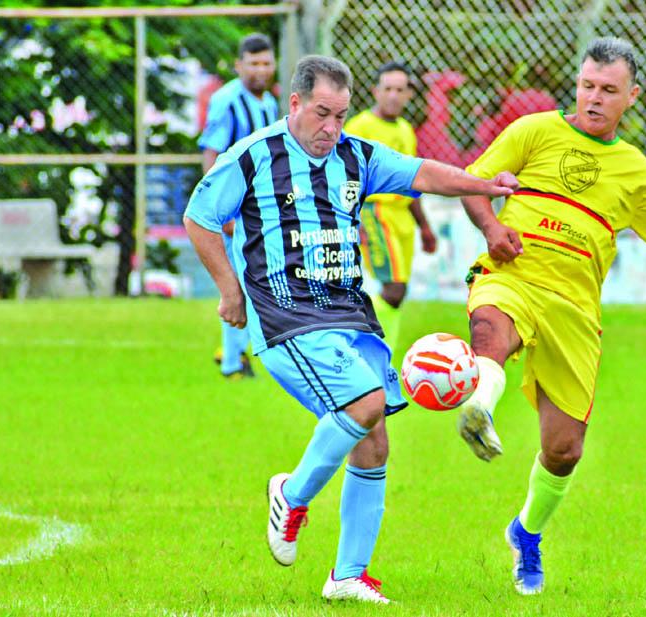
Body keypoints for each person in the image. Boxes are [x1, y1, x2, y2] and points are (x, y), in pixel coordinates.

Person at [183, 55, 517, 604]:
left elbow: (424, 173)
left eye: (340, 115)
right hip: (288, 317)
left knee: (375, 443)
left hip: (348, 316)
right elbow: (200, 217)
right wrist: (228, 289)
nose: (331, 129)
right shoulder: (254, 157)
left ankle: (347, 577)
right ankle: (290, 495)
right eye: (321, 114)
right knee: (363, 406)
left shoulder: (356, 155)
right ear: (295, 104)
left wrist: (485, 183)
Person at [454, 37, 646, 596]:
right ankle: (479, 405)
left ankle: (526, 533)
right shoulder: (534, 131)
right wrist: (494, 230)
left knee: (565, 450)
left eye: (608, 90)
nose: (594, 98)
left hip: (574, 309)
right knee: (490, 331)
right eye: (588, 86)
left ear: (631, 96)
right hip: (513, 275)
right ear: (578, 84)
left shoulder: (636, 172)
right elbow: (475, 185)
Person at [198, 32, 278, 379]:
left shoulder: (272, 104)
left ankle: (235, 352)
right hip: (236, 210)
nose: (260, 70)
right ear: (239, 65)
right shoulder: (227, 100)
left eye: (266, 63)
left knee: (258, 282)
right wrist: (221, 211)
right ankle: (232, 363)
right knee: (236, 285)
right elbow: (212, 155)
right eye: (253, 63)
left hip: (261, 211)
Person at [343, 62, 436, 352]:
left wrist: (424, 226)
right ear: (375, 92)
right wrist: (350, 222)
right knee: (393, 289)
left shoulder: (407, 130)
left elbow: (411, 181)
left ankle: (385, 354)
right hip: (374, 212)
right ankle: (361, 344)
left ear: (409, 94)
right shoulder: (359, 127)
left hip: (401, 216)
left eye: (400, 89)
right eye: (388, 89)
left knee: (398, 291)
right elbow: (343, 177)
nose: (394, 95)